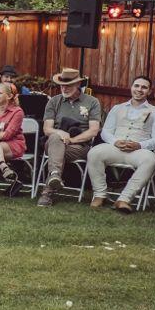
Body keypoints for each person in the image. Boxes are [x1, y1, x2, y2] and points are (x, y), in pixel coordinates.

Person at [86, 76, 155, 213]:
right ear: (132, 87)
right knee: (94, 152)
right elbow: (105, 132)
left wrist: (139, 145)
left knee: (151, 160)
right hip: (115, 148)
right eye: (136, 86)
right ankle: (100, 195)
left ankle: (124, 199)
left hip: (138, 151)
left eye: (144, 87)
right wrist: (115, 142)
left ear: (149, 91)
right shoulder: (117, 108)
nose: (139, 89)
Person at [37, 68, 102, 207]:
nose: (64, 88)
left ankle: (48, 191)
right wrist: (61, 134)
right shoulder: (54, 101)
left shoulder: (92, 102)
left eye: (68, 85)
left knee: (56, 151)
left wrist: (71, 140)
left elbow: (93, 131)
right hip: (54, 143)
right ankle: (54, 176)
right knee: (55, 138)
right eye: (62, 85)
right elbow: (47, 129)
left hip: (78, 146)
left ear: (78, 84)